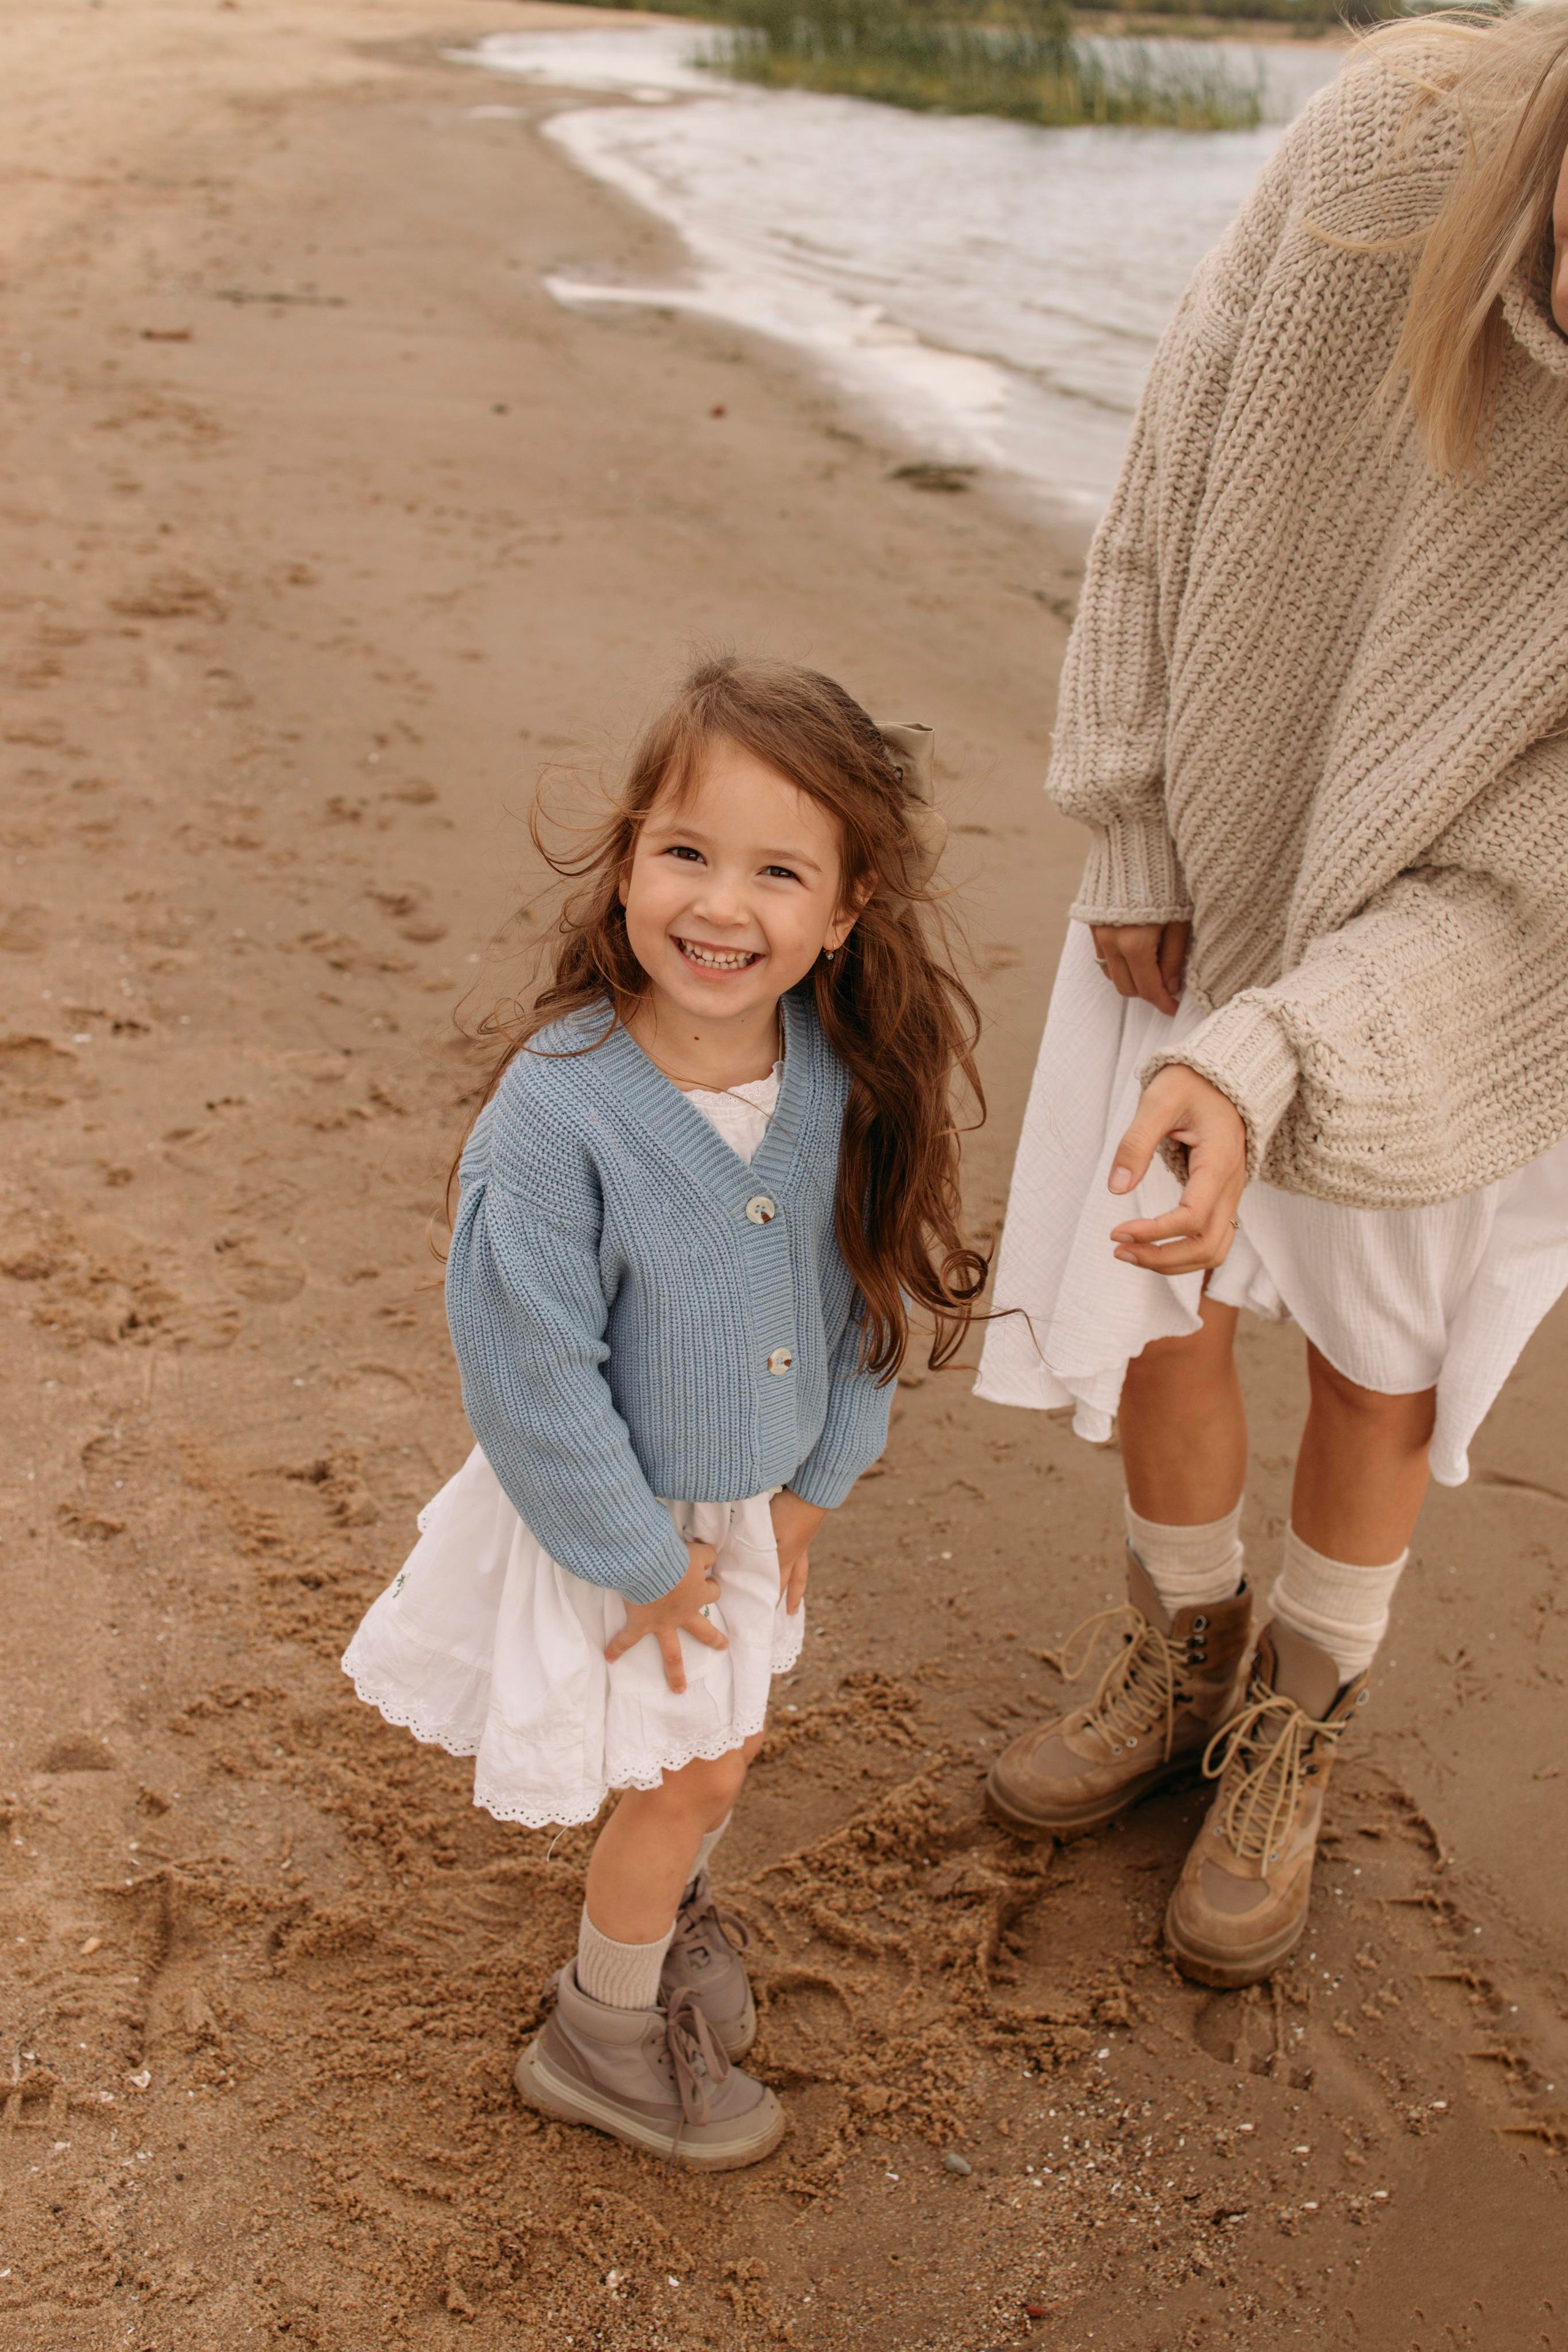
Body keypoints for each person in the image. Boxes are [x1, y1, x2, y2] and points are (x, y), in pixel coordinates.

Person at [976, 8, 1568, 1989]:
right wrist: (1133, 819)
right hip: (1208, 867)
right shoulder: (1390, 138)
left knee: (1379, 1368)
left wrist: (1285, 1052)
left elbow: (1538, 890)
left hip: (1460, 981)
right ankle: (1182, 1647)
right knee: (1165, 1299)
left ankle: (1292, 1718)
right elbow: (1172, 458)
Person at [343, 657, 984, 2164]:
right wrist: (641, 1562)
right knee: (689, 1774)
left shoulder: (832, 1076)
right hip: (610, 1517)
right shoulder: (559, 1109)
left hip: (750, 1511)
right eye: (686, 852)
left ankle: (659, 1924)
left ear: (845, 910)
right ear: (628, 857)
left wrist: (814, 1492)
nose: (719, 905)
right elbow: (529, 1371)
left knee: (711, 1756)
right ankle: (601, 2031)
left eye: (778, 872)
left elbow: (859, 1298)